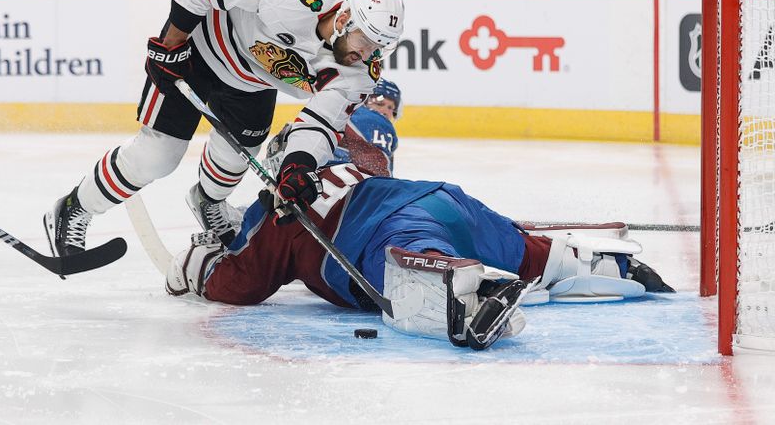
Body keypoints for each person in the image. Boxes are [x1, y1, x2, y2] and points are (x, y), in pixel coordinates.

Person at [44, 0, 405, 257]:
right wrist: (173, 41)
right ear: (344, 20)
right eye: (365, 41)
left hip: (253, 82)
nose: (368, 54)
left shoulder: (361, 71)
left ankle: (208, 203)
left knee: (235, 160)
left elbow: (322, 122)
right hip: (197, 54)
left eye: (379, 48)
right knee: (158, 155)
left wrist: (299, 165)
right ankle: (74, 208)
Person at [165, 163, 674, 350]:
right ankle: (602, 264)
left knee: (420, 268)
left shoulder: (278, 211)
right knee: (527, 252)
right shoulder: (344, 158)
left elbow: (240, 282)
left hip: (392, 231)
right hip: (441, 197)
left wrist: (192, 266)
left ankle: (467, 295)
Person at [265, 78, 402, 178]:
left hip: (329, 189)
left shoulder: (357, 118)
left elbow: (378, 172)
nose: (385, 111)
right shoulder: (369, 120)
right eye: (380, 104)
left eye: (391, 108)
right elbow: (381, 177)